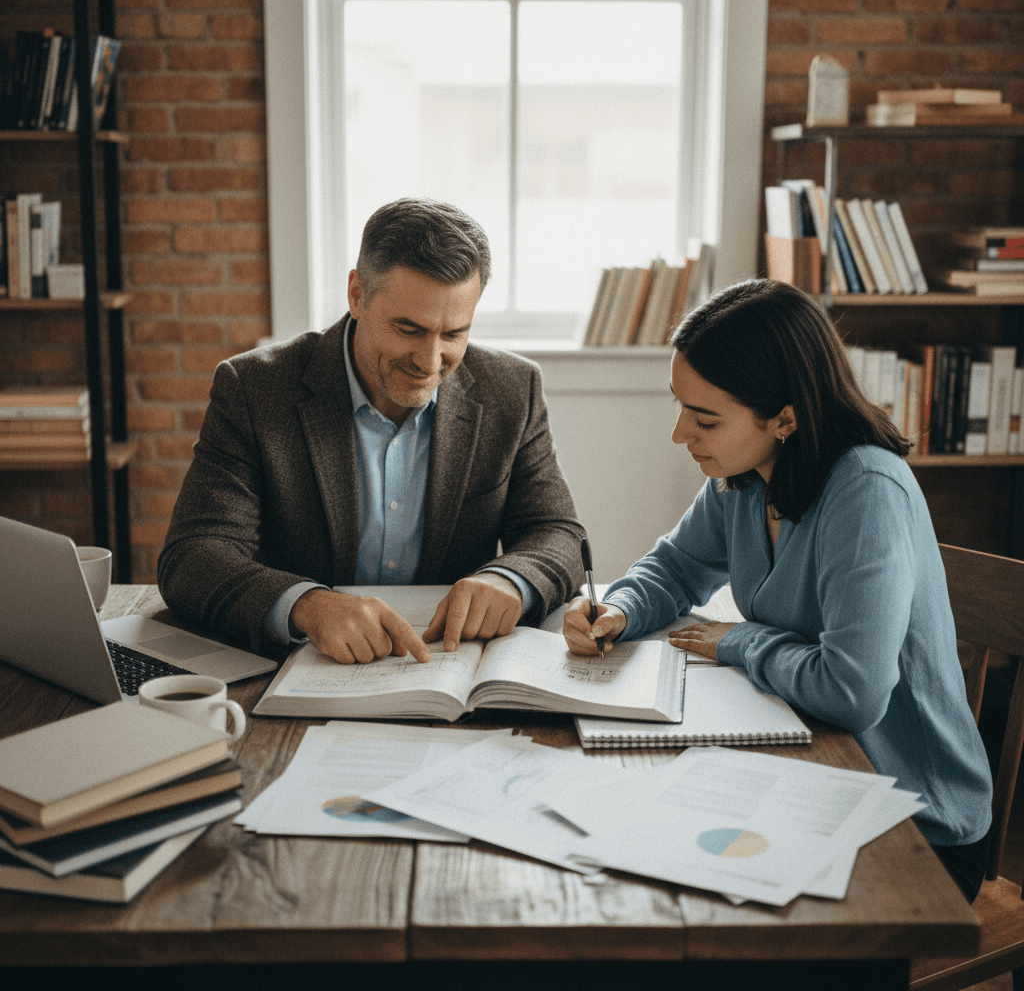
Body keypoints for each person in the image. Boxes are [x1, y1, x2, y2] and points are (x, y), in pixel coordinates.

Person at [562, 277, 993, 903]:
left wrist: (741, 640)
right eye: (680, 405)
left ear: (785, 417)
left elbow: (851, 693)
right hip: (816, 771)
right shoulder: (743, 475)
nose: (680, 434)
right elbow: (677, 568)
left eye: (704, 418)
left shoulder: (867, 492)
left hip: (918, 821)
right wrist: (619, 609)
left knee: (686, 900)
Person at [159, 197, 584, 666]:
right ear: (357, 295)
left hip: (446, 669)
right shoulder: (254, 389)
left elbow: (557, 532)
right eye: (408, 330)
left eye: (453, 334)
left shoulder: (512, 388)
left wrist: (510, 580)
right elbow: (193, 556)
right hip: (302, 665)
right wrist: (306, 605)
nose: (429, 362)